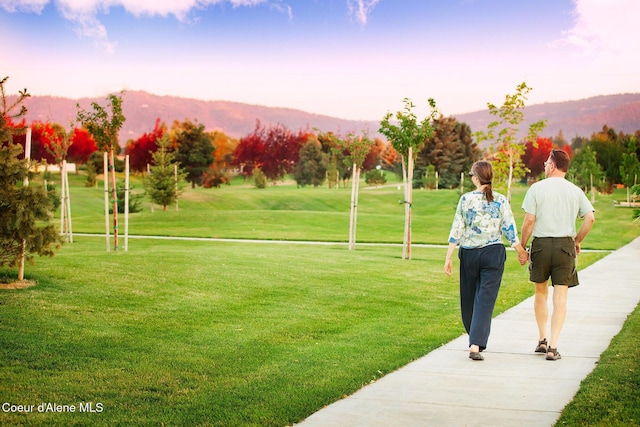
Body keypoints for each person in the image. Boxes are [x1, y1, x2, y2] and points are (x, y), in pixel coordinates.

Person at [445, 160, 527, 361]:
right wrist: (520, 251)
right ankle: (476, 340)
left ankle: (474, 342)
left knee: (469, 298)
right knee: (484, 300)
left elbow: (457, 228)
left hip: (469, 254)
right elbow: (509, 229)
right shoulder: (500, 200)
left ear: (475, 177)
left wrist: (448, 257)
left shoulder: (466, 199)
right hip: (493, 253)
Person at [520, 149, 595, 361]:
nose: (544, 166)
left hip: (542, 245)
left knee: (540, 293)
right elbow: (589, 218)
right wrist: (577, 240)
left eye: (546, 163)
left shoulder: (537, 189)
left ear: (552, 166)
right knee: (560, 298)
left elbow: (529, 221)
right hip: (565, 246)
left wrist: (524, 247)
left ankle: (541, 340)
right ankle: (553, 346)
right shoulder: (575, 190)